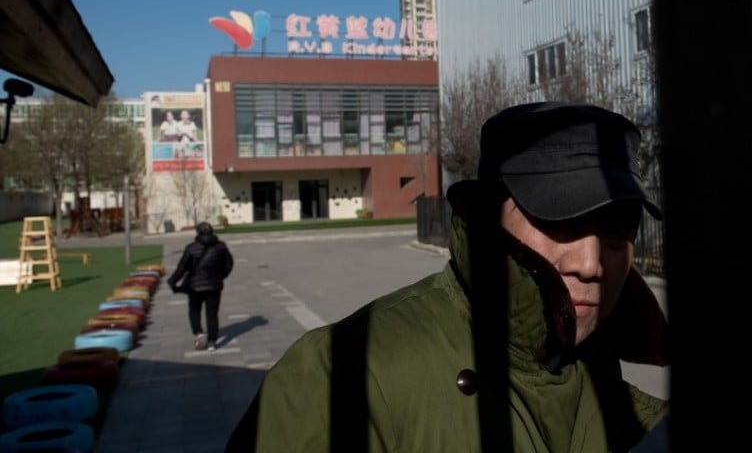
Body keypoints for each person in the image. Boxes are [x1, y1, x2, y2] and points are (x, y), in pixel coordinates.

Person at [226, 102, 669, 452]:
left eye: (616, 232)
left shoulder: (610, 382)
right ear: (486, 216)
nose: (590, 263)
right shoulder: (342, 370)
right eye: (560, 221)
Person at [167, 221, 234, 351]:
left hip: (195, 287)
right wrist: (220, 276)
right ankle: (212, 342)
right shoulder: (221, 246)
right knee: (212, 313)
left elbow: (182, 268)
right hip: (214, 286)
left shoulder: (191, 248)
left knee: (194, 310)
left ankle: (199, 332)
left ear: (198, 232)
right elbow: (229, 265)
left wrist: (173, 281)